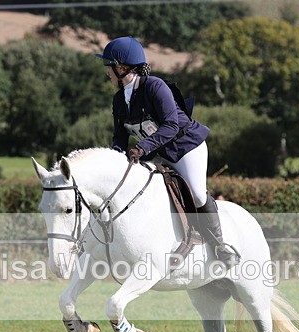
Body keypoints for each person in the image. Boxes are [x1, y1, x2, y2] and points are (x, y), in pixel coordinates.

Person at [96, 36, 241, 268]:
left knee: (196, 194)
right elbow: (119, 138)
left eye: (108, 67)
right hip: (155, 151)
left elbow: (171, 125)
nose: (107, 73)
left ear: (122, 68)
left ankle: (220, 245)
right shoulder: (119, 100)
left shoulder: (155, 86)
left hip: (185, 147)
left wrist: (142, 148)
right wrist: (115, 162)